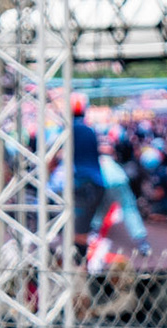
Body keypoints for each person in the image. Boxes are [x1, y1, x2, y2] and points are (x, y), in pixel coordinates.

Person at [68, 97, 109, 254]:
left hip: (83, 185)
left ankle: (80, 268)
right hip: (97, 184)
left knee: (78, 232)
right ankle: (82, 265)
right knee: (84, 228)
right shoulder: (90, 130)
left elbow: (55, 156)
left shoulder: (69, 130)